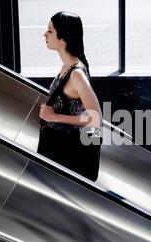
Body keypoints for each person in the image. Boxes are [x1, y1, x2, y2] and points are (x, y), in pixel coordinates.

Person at [37, 11, 102, 181]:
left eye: (50, 31)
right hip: (61, 150)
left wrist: (54, 116)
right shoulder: (67, 65)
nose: (45, 34)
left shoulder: (76, 74)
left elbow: (95, 118)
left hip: (67, 153)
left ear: (63, 38)